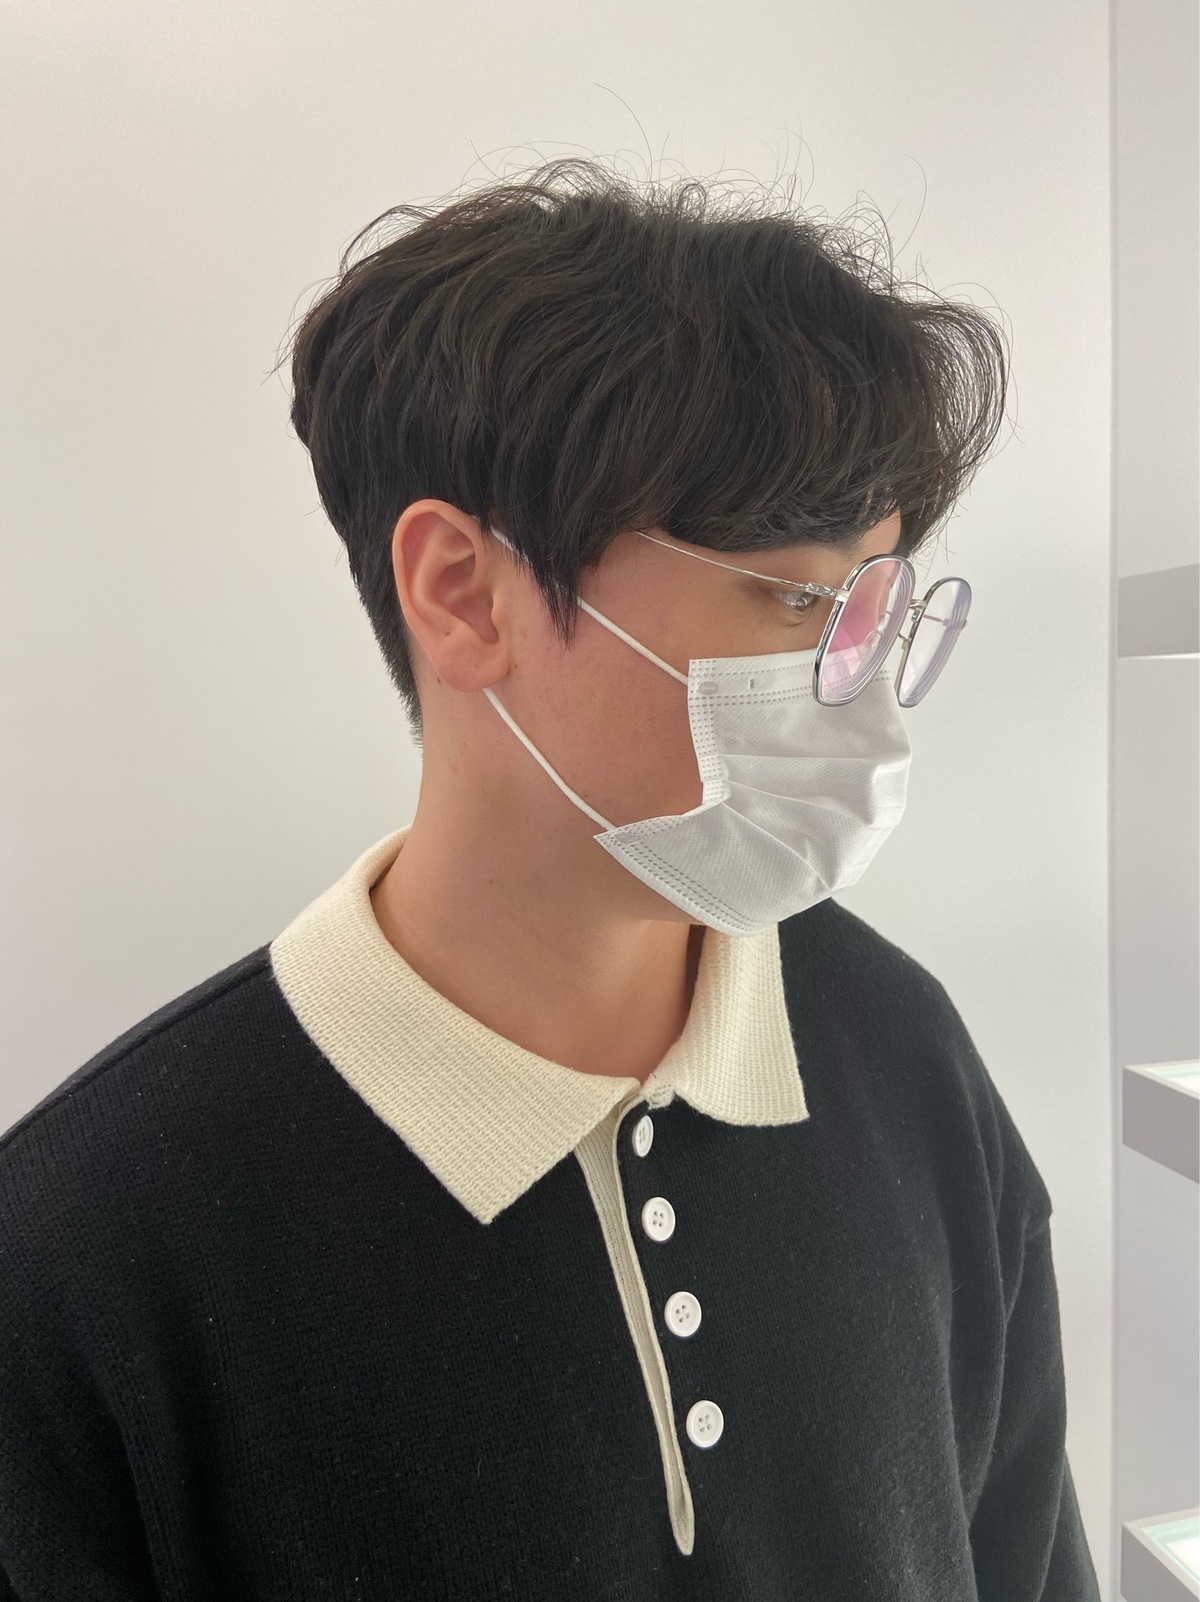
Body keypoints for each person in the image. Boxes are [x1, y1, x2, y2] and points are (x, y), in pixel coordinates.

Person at [0, 157, 1101, 1599]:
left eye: (878, 604)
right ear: (463, 589)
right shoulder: (88, 1251)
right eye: (795, 597)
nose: (862, 685)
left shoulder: (909, 1059)